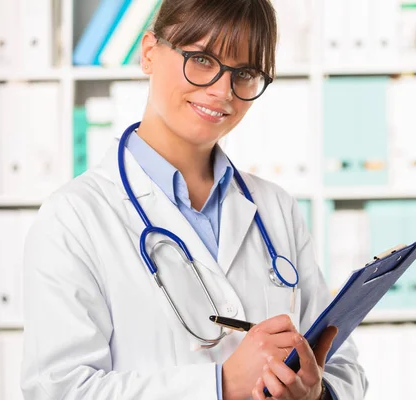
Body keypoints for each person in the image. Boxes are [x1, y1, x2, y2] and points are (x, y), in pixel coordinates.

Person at [20, 0, 368, 399]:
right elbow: (59, 390)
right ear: (149, 52)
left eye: (246, 73)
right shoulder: (73, 219)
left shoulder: (276, 208)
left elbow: (342, 366)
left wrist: (315, 393)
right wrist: (219, 385)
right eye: (202, 59)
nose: (223, 91)